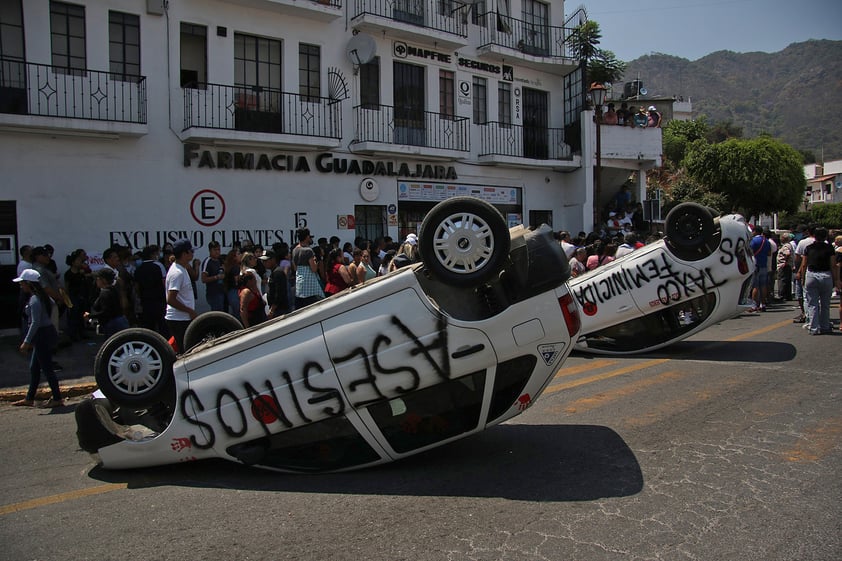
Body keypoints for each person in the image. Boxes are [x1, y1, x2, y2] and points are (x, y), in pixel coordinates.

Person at [12, 269, 63, 408]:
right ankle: (29, 398)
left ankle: (57, 398)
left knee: (47, 369)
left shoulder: (35, 299)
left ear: (29, 284)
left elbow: (35, 322)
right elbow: (52, 304)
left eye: (22, 283)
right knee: (34, 367)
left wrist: (26, 342)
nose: (21, 286)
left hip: (41, 336)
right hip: (45, 334)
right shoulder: (42, 297)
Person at [798, 227, 838, 335]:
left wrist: (802, 278)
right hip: (825, 275)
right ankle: (825, 326)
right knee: (825, 304)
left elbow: (804, 264)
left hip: (811, 275)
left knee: (812, 303)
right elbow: (833, 265)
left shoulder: (809, 248)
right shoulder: (829, 248)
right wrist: (836, 279)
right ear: (825, 236)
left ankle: (814, 327)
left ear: (814, 236)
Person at [165, 239, 198, 353]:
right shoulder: (177, 273)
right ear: (184, 254)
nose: (193, 254)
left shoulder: (182, 269)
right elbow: (170, 299)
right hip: (179, 319)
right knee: (186, 351)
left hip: (183, 318)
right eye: (191, 251)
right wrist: (189, 311)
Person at [133, 245, 168, 337]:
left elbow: (137, 287)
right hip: (159, 301)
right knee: (163, 327)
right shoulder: (159, 266)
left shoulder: (139, 268)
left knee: (149, 329)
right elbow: (164, 283)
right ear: (153, 254)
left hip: (146, 302)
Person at [85, 268, 129, 337]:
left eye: (98, 278)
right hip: (120, 321)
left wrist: (90, 316)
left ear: (104, 280)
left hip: (113, 324)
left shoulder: (105, 293)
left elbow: (105, 312)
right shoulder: (112, 289)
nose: (96, 280)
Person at [292, 227, 324, 309]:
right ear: (306, 237)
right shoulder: (308, 251)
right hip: (309, 284)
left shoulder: (295, 250)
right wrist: (316, 262)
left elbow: (295, 267)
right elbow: (313, 269)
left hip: (299, 283)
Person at [63, 249, 91, 341]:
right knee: (73, 316)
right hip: (73, 297)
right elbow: (66, 287)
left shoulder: (81, 273)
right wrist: (66, 299)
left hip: (82, 296)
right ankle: (72, 334)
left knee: (82, 315)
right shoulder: (68, 274)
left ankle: (82, 332)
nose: (80, 262)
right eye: (78, 261)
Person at [748, 226, 771, 312]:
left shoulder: (753, 241)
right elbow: (769, 253)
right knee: (763, 285)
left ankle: (754, 305)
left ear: (755, 231)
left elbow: (749, 251)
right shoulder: (767, 241)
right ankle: (763, 304)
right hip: (764, 265)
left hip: (755, 265)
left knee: (755, 286)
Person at [264, 250, 290, 318]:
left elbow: (279, 293)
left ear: (273, 259)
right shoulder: (273, 272)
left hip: (280, 310)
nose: (264, 263)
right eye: (263, 261)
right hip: (276, 309)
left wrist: (272, 310)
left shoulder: (278, 272)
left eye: (266, 260)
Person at [201, 241, 226, 312]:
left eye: (218, 250)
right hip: (213, 293)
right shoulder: (207, 261)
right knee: (216, 314)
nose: (217, 252)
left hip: (221, 291)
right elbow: (203, 279)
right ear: (210, 250)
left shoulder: (220, 260)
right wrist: (216, 277)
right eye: (215, 250)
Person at [775, 232, 794, 301]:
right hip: (788, 265)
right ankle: (787, 295)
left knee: (782, 280)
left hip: (783, 265)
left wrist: (785, 262)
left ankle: (782, 295)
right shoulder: (789, 245)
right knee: (787, 281)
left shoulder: (786, 246)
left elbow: (787, 254)